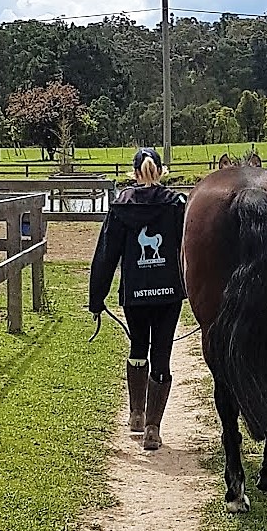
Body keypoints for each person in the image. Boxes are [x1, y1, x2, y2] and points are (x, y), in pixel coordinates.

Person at [89, 147, 187, 450]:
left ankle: (136, 413)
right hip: (168, 293)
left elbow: (106, 255)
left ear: (134, 173)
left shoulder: (121, 207)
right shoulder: (177, 205)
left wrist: (97, 298)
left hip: (134, 293)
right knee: (162, 353)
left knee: (137, 346)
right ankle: (153, 429)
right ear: (160, 172)